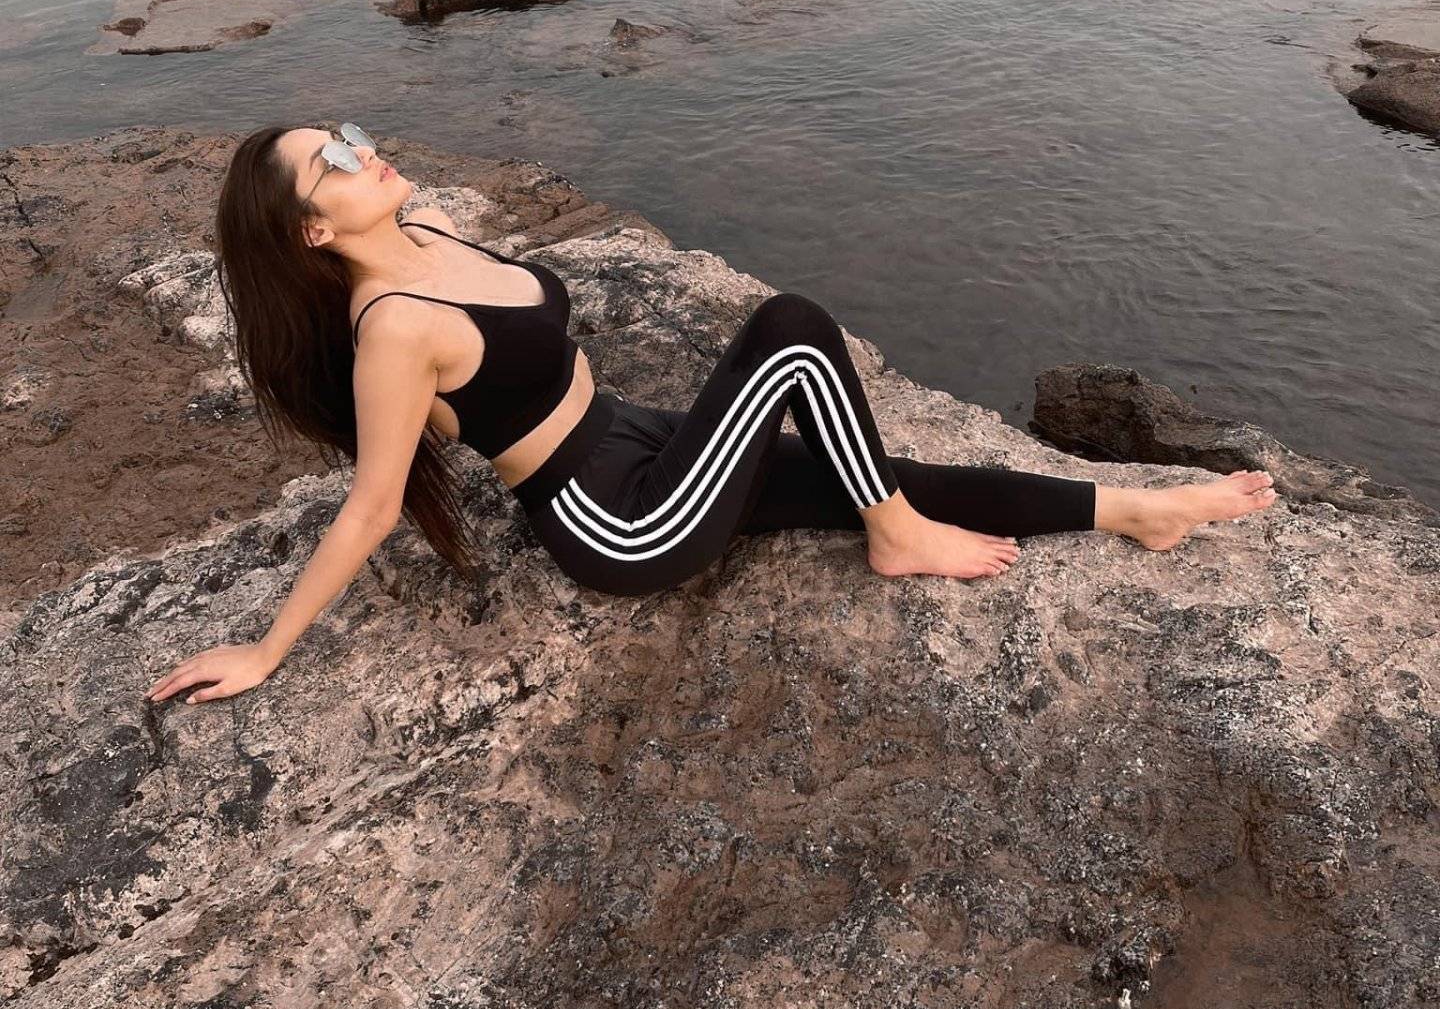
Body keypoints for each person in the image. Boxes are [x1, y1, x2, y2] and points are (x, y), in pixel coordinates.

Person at [145, 123, 1277, 705]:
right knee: (791, 330)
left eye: (345, 135)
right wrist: (264, 649)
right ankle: (896, 540)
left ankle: (1135, 511)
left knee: (868, 466)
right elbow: (371, 506)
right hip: (614, 520)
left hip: (637, 442)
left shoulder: (427, 230)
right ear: (312, 231)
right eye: (333, 163)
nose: (362, 151)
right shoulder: (391, 327)